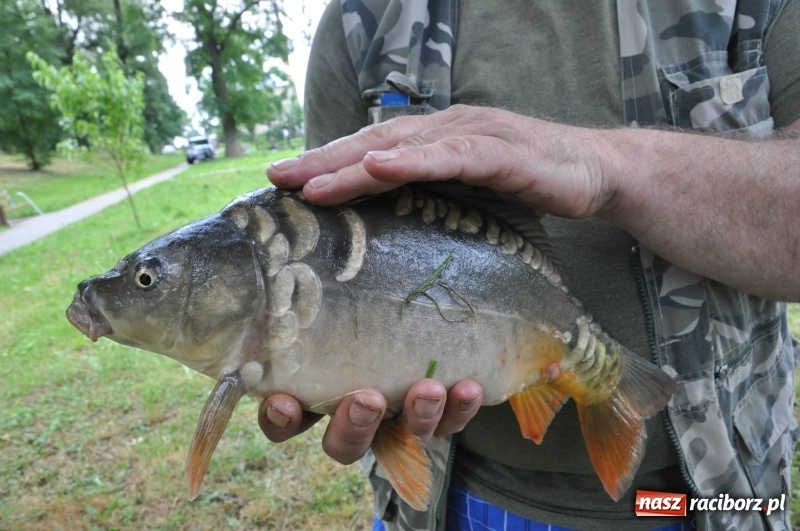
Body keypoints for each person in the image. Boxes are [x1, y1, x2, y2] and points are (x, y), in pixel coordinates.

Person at [259, 1, 800, 529]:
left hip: (716, 500)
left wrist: (602, 165)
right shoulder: (361, 16)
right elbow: (323, 239)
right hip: (447, 503)